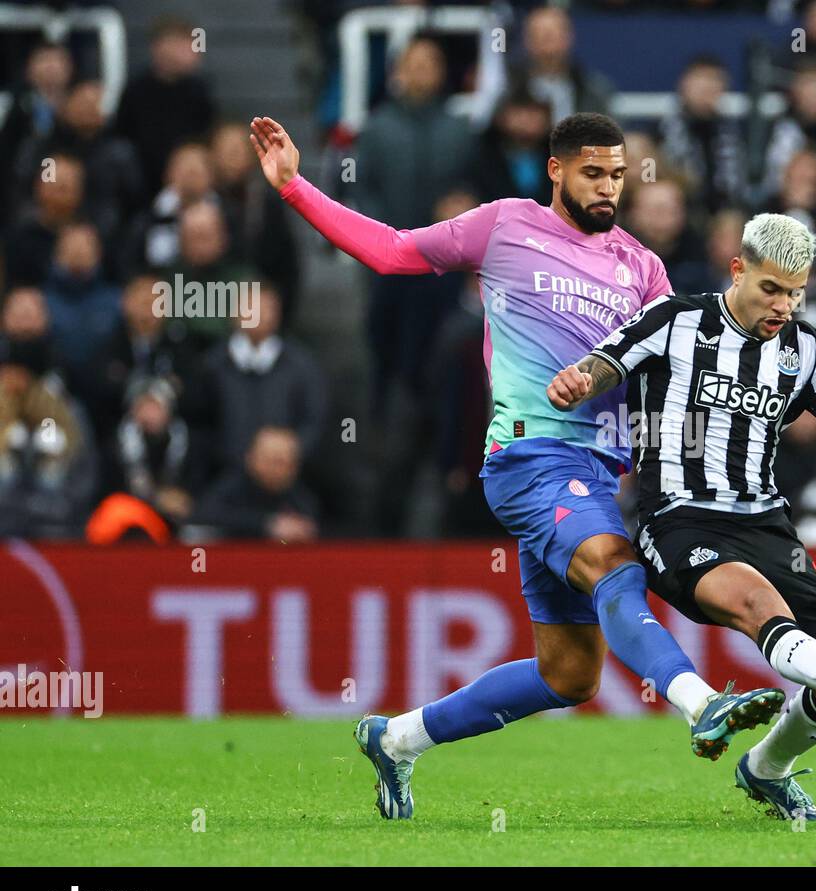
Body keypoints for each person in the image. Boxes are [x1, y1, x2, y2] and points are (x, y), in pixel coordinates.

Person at [250, 111, 782, 820]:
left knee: (569, 675)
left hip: (594, 475)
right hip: (529, 456)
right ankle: (703, 704)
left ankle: (395, 738)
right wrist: (296, 189)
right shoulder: (502, 224)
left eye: (618, 175)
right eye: (594, 173)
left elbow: (672, 371)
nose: (608, 188)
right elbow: (392, 252)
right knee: (613, 566)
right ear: (556, 170)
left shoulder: (642, 267)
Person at [546, 213, 816, 820]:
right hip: (678, 519)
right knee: (763, 609)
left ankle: (768, 767)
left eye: (796, 292)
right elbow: (608, 363)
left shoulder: (803, 350)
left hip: (767, 525)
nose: (784, 304)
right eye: (771, 289)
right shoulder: (678, 322)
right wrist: (579, 380)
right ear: (739, 269)